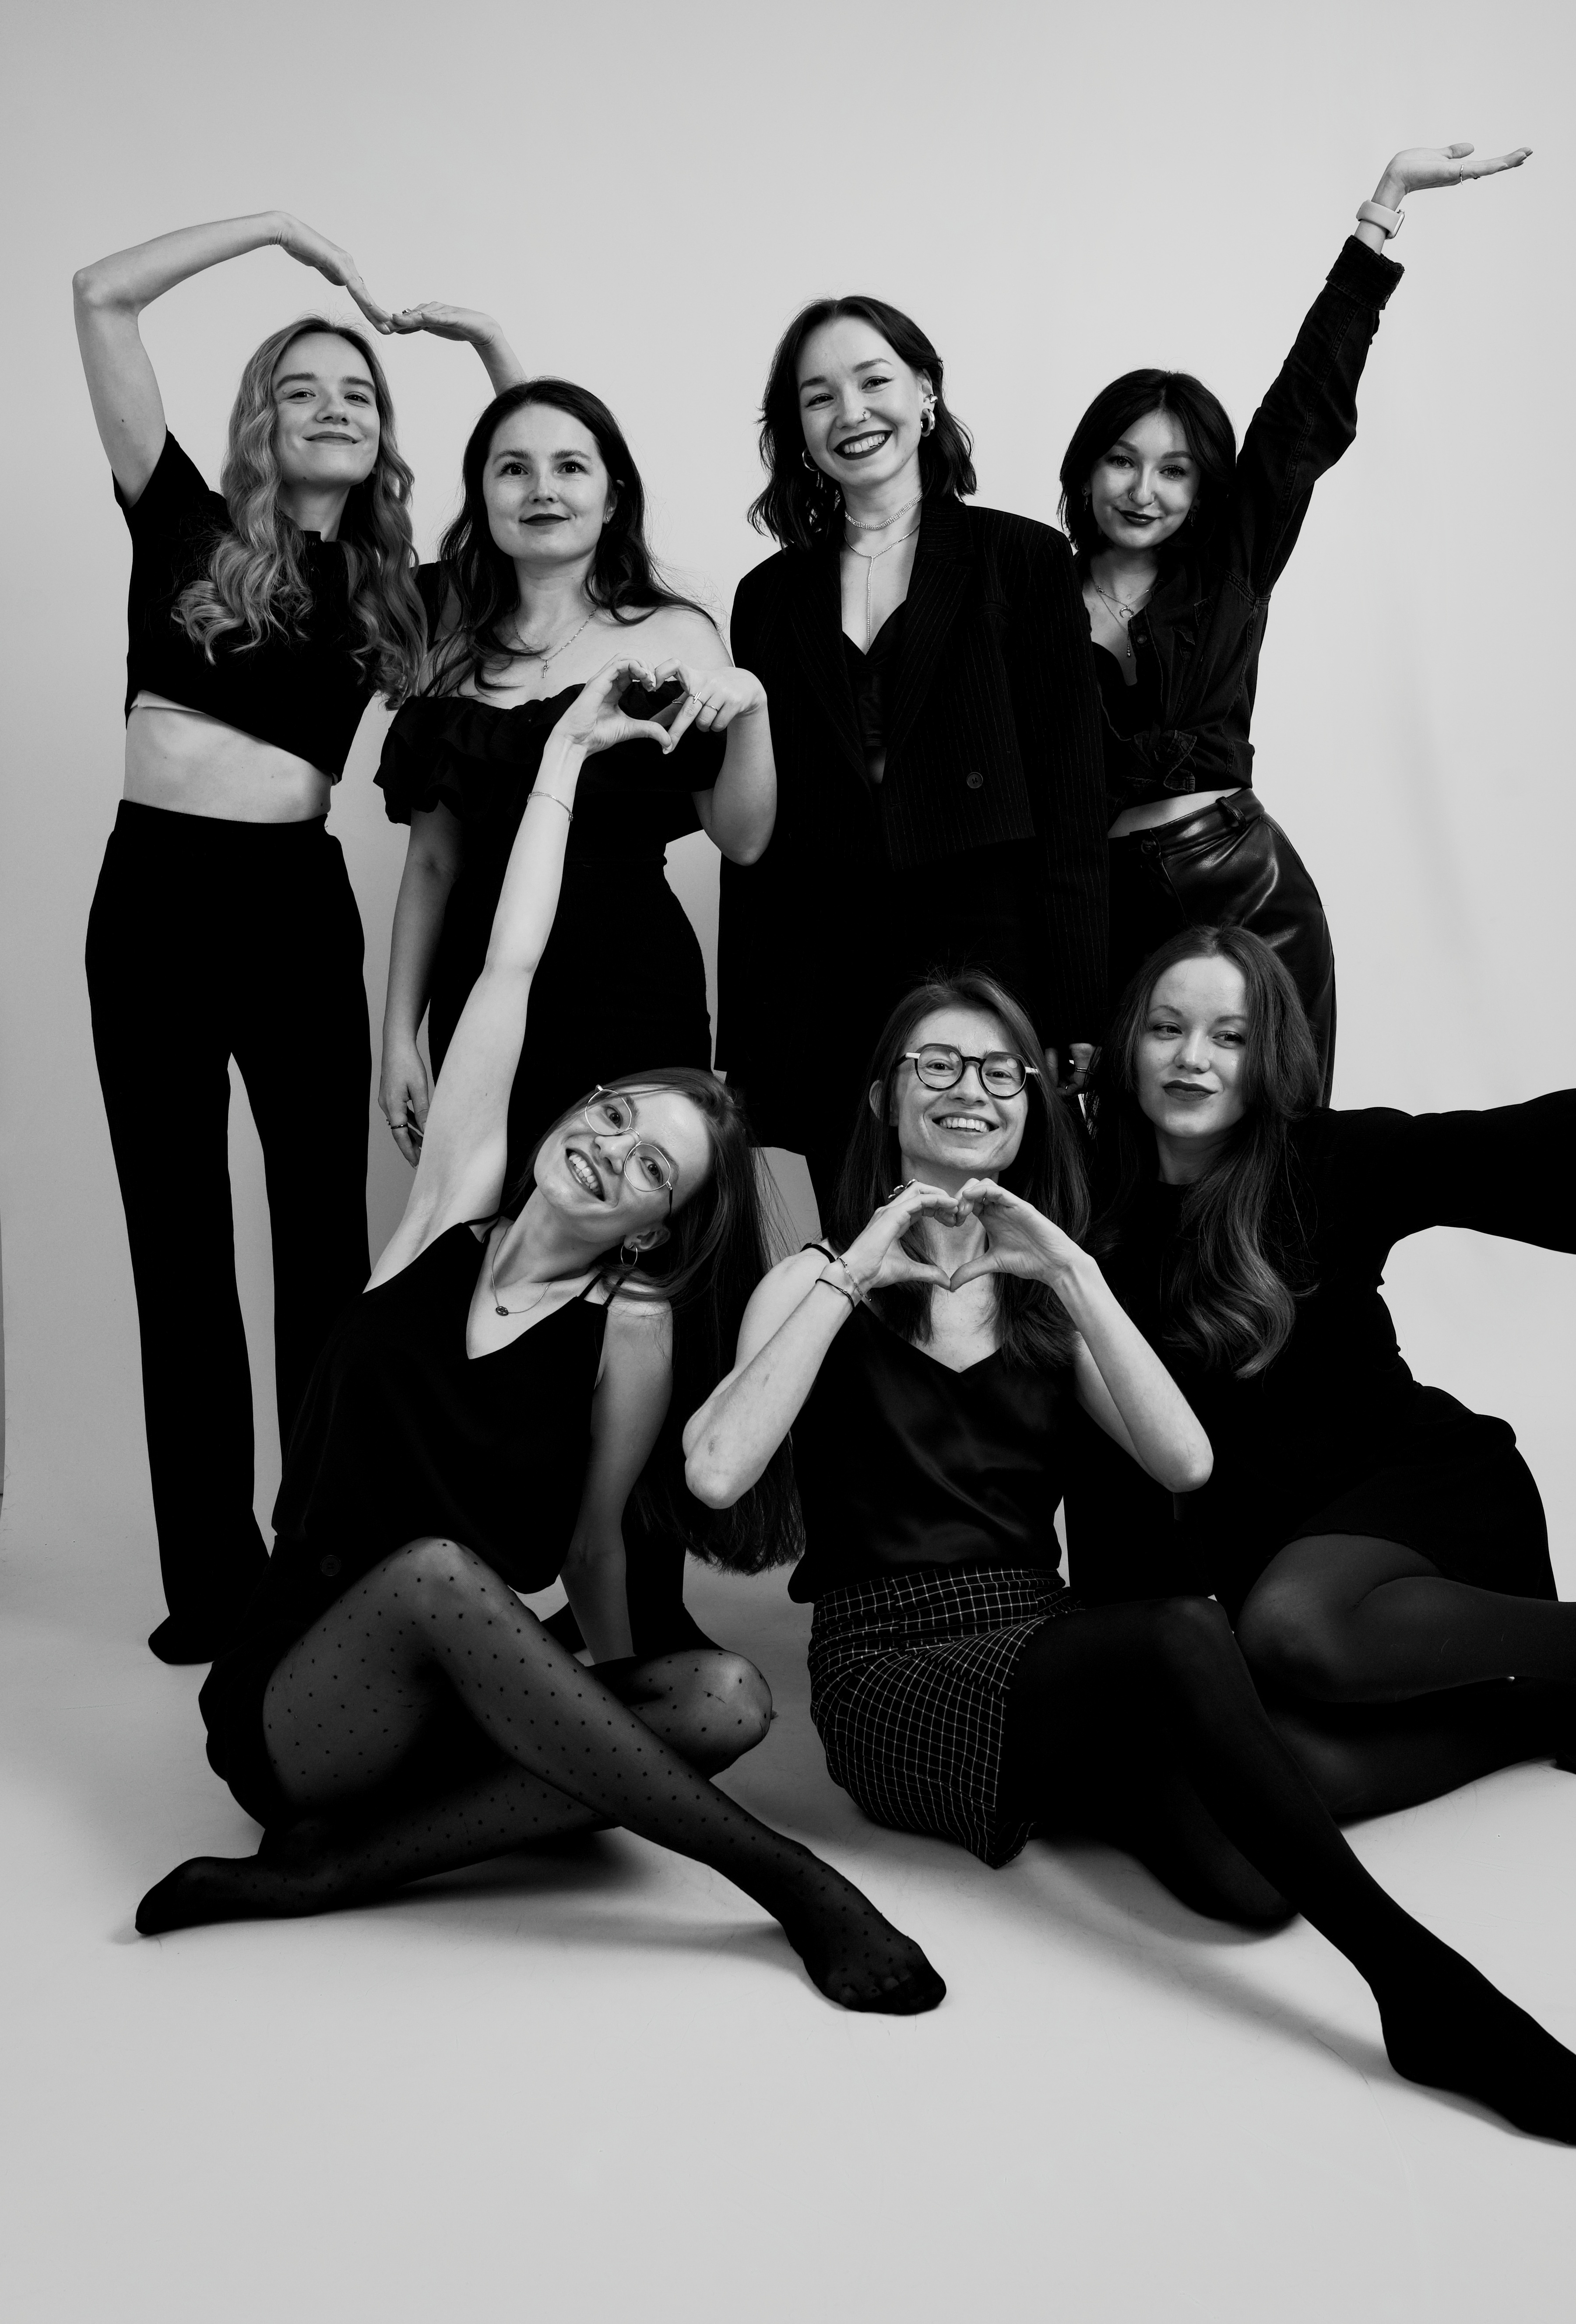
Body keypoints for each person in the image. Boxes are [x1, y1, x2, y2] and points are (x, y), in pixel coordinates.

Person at [683, 970, 1576, 2143]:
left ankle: (1533, 1707)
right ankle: (1430, 1995)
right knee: (1181, 1631)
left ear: (1033, 1108)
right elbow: (717, 1470)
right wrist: (856, 1266)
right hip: (890, 1672)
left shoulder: (1045, 1301)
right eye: (935, 1064)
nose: (969, 1089)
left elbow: (1181, 1458)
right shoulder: (811, 1281)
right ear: (883, 1098)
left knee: (1244, 1882)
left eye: (1000, 1071)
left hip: (1035, 1646)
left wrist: (1072, 1272)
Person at [134, 663, 941, 2019]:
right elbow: (507, 964)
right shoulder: (440, 1218)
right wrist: (564, 751)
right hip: (304, 1697)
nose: (611, 1150)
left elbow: (589, 1551)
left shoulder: (628, 1337)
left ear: (655, 1227)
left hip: (468, 1696)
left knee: (726, 1696)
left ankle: (335, 1869)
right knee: (438, 1570)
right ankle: (787, 1879)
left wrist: (607, 1702)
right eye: (615, 1117)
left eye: (651, 1170)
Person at [74, 211, 518, 1664]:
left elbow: (545, 492)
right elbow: (100, 295)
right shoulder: (180, 516)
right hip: (151, 898)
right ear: (261, 417)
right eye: (302, 387)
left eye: (358, 392)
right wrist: (275, 231)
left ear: (384, 434)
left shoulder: (398, 594)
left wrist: (492, 351)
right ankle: (211, 1582)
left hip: (291, 906)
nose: (334, 406)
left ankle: (323, 1557)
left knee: (324, 1240)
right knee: (178, 1239)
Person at [1073, 925, 1576, 1821]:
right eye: (1167, 1028)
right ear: (1126, 1044)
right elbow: (1107, 1461)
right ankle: (1538, 1711)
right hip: (1274, 1555)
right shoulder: (1089, 1214)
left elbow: (1531, 1148)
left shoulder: (1328, 1161)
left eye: (1229, 1037)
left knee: (1293, 1627)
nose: (1192, 1058)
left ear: (1266, 1056)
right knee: (1265, 1779)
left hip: (1414, 1500)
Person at [1061, 141, 1530, 1093]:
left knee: (1283, 1130)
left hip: (1249, 891)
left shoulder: (1231, 563)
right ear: (1085, 468)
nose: (1143, 491)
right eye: (1121, 461)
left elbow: (1303, 410)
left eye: (1174, 470)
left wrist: (1383, 206)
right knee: (1124, 1140)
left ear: (1204, 486)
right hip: (1104, 913)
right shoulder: (1030, 589)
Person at [717, 295, 1108, 1211]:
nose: (850, 413)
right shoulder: (767, 595)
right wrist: (748, 1039)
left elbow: (1071, 801)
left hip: (987, 952)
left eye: (873, 381)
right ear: (796, 429)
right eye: (819, 397)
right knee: (853, 1226)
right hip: (824, 967)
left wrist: (1078, 1004)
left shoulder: (1021, 558)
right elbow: (755, 850)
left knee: (1001, 1224)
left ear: (925, 392)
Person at [376, 374, 774, 1182]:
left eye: (569, 467)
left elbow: (742, 838)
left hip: (632, 985)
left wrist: (754, 711)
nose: (542, 490)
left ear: (612, 496)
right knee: (491, 1220)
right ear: (483, 495)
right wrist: (396, 1038)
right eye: (513, 469)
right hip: (479, 993)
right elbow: (433, 863)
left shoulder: (673, 633)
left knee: (639, 1217)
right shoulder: (449, 651)